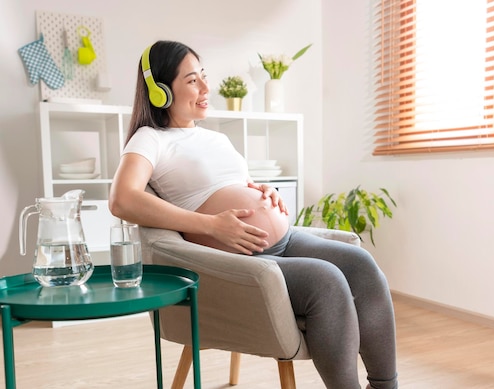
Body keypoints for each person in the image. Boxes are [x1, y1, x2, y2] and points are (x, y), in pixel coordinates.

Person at [109, 40, 398, 389]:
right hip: (240, 263)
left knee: (362, 265)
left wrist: (263, 190)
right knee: (327, 281)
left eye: (204, 76)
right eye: (191, 80)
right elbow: (122, 200)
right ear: (159, 92)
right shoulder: (151, 139)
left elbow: (231, 183)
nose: (205, 88)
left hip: (284, 241)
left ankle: (386, 386)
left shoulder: (214, 138)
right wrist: (212, 225)